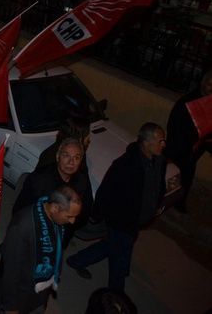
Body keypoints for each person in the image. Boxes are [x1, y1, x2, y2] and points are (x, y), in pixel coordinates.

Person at [66, 123, 167, 291]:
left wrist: (156, 205)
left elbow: (159, 186)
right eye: (160, 141)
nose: (163, 144)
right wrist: (97, 214)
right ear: (146, 142)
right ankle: (116, 296)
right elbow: (106, 191)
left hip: (137, 219)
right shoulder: (125, 165)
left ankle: (77, 260)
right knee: (119, 255)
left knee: (112, 245)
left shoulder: (159, 161)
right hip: (122, 219)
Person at [0, 186, 82, 314]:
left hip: (38, 294)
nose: (73, 221)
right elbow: (11, 271)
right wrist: (11, 307)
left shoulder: (56, 220)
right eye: (70, 216)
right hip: (18, 296)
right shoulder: (22, 226)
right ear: (54, 208)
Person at [13, 138, 93, 245]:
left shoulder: (82, 181)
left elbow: (85, 213)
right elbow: (20, 210)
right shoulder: (39, 179)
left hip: (59, 239)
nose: (71, 162)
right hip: (32, 236)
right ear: (57, 156)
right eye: (66, 156)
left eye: (76, 158)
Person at [165, 69, 212, 213]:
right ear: (203, 83)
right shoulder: (188, 102)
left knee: (185, 177)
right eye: (210, 85)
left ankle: (178, 202)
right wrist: (186, 146)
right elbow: (175, 126)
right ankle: (170, 201)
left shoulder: (208, 103)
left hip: (193, 150)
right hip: (180, 147)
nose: (211, 89)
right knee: (174, 175)